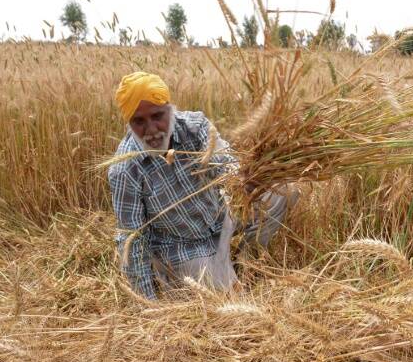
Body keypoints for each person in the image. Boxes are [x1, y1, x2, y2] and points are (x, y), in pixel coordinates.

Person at [108, 71, 295, 299]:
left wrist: (241, 180)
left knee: (282, 191)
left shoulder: (195, 127)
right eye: (139, 121)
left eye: (158, 116)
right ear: (129, 123)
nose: (151, 129)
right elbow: (131, 239)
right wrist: (147, 304)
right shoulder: (126, 168)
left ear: (170, 109)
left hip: (221, 220)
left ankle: (249, 260)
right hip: (183, 247)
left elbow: (225, 160)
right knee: (227, 298)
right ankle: (216, 275)